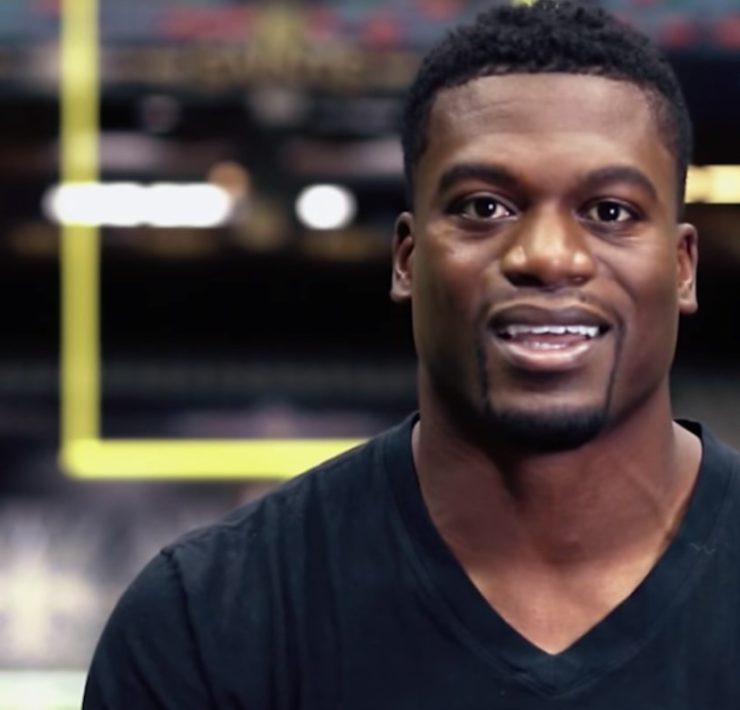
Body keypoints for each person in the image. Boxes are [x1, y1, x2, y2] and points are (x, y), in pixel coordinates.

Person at [84, 2, 740, 707]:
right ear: (407, 259)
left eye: (610, 212)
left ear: (682, 269)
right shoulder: (207, 622)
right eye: (484, 207)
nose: (549, 256)